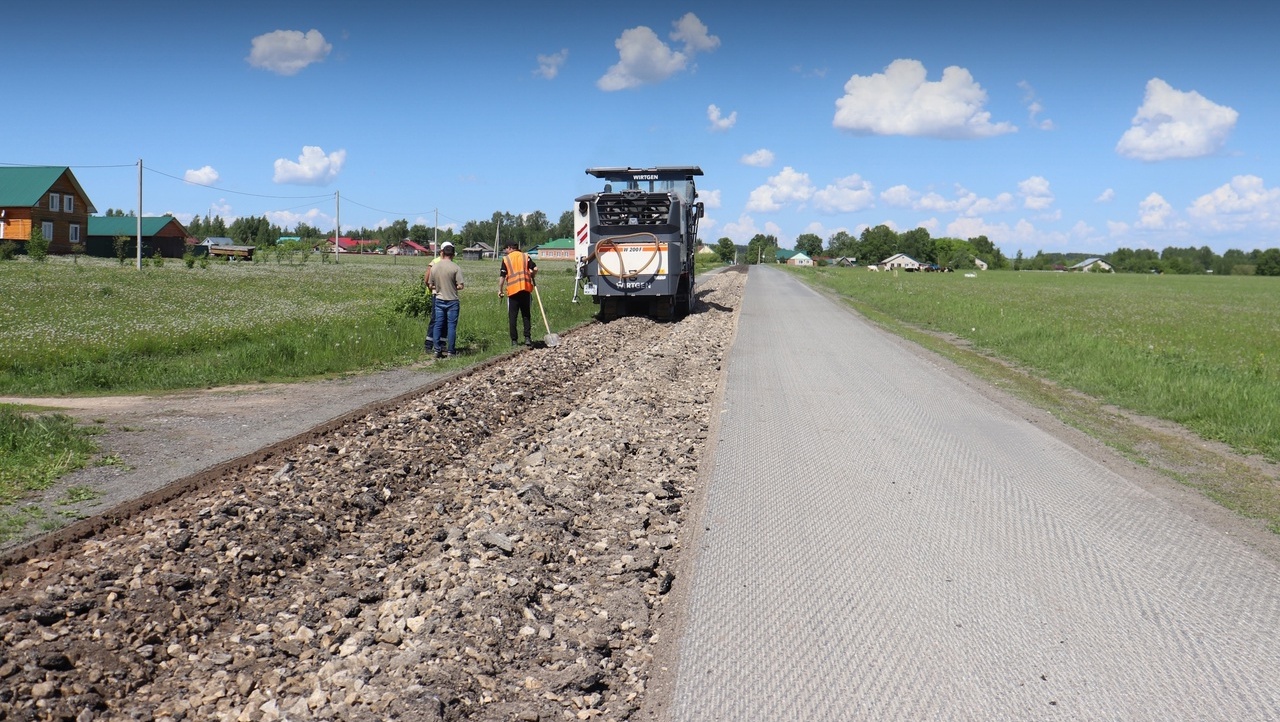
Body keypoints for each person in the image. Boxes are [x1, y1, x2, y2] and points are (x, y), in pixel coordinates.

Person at [428, 244, 464, 358]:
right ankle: (450, 351)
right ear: (453, 255)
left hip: (439, 299)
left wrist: (439, 287)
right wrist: (452, 286)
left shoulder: (434, 267)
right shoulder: (455, 267)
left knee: (438, 325)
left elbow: (430, 285)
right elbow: (461, 286)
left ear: (442, 253)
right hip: (452, 300)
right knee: (451, 326)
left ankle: (437, 350)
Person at [498, 239, 537, 347]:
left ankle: (514, 341)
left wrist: (500, 290)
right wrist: (532, 275)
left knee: (512, 317)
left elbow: (502, 276)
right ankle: (527, 338)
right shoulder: (525, 256)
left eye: (506, 249)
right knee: (526, 315)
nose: (505, 251)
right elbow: (535, 268)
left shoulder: (506, 259)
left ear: (510, 248)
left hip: (513, 291)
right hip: (525, 289)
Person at [423, 242, 453, 352]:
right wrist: (433, 288)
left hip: (447, 294)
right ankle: (429, 344)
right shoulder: (435, 262)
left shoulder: (452, 262)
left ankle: (442, 342)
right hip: (437, 294)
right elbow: (427, 279)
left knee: (445, 319)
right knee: (436, 319)